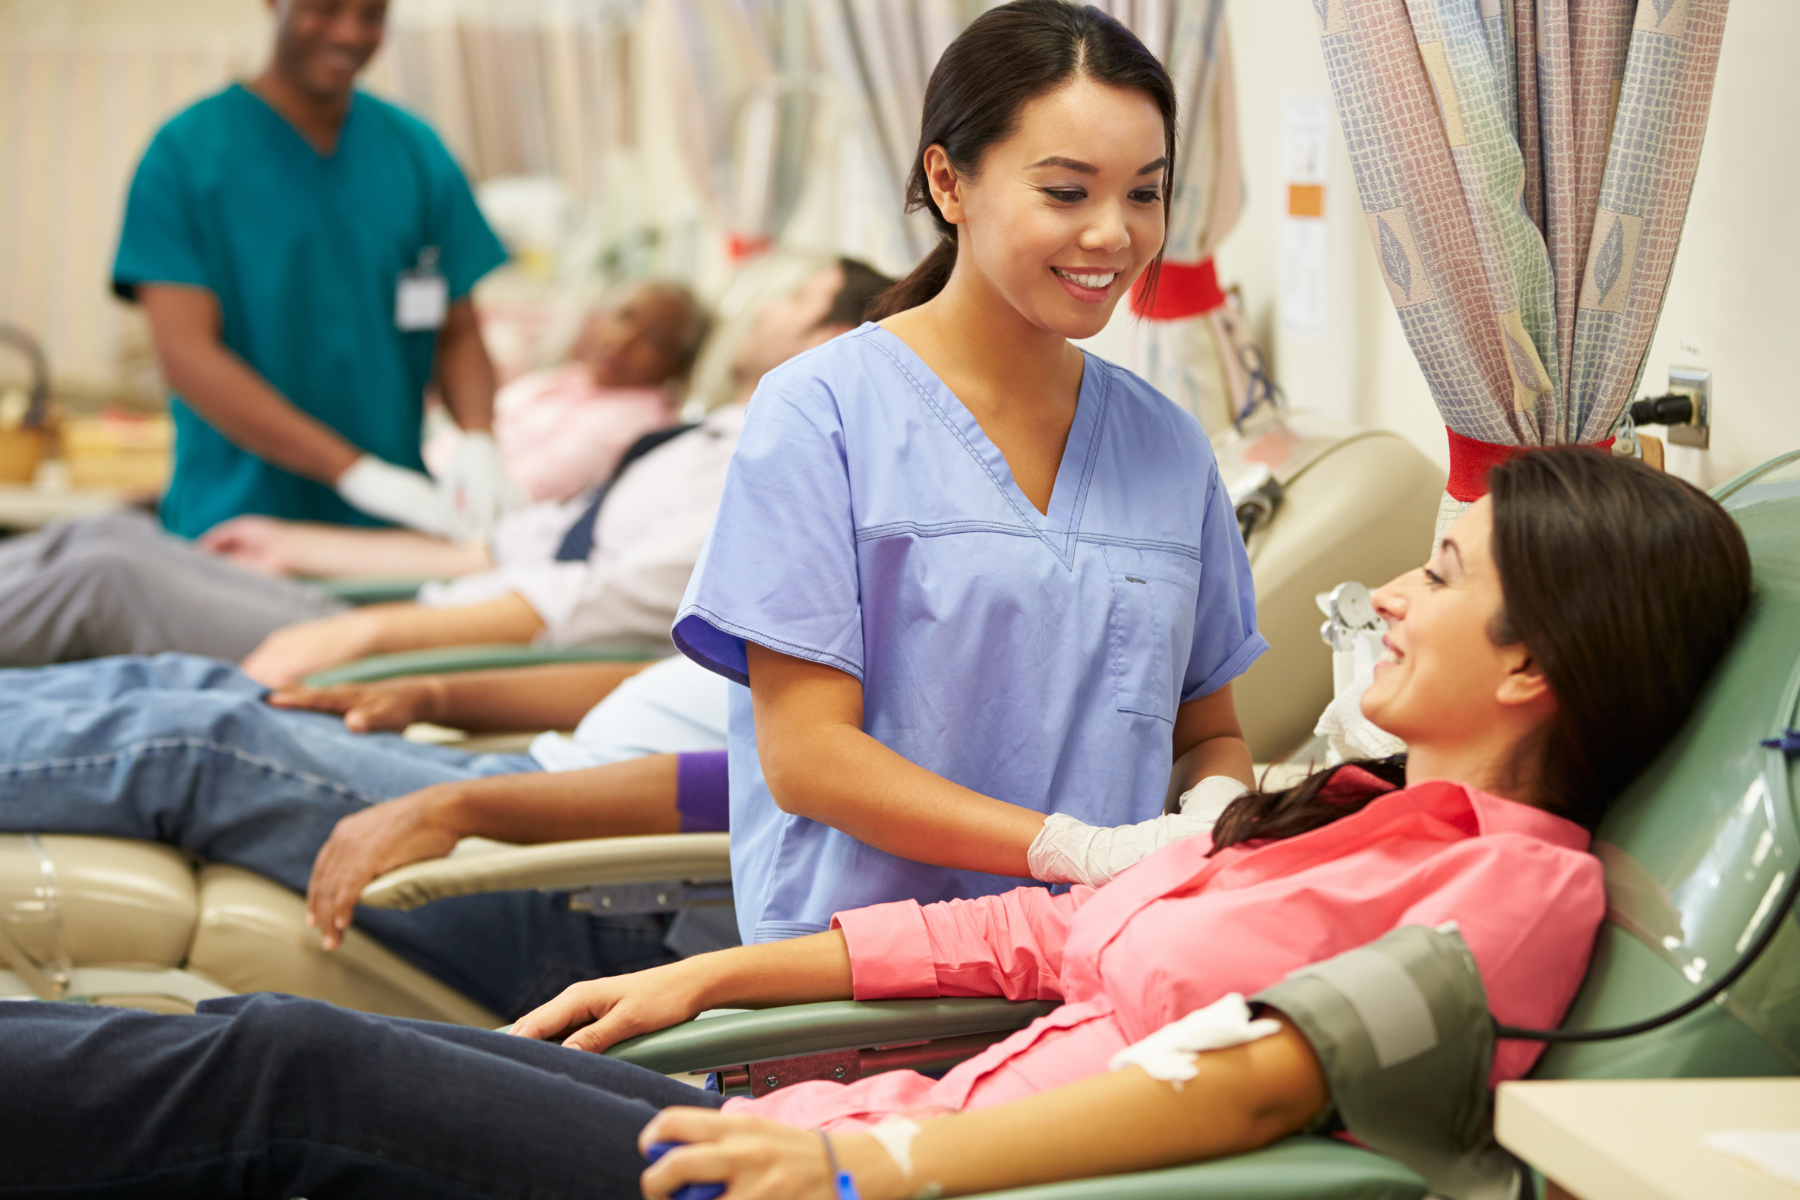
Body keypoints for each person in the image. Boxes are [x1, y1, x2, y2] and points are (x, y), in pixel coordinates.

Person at [0, 444, 1753, 1198]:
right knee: (256, 1046)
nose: (1385, 594)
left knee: (284, 1074)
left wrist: (867, 1160)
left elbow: (1255, 1079)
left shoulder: (1513, 894)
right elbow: (1034, 932)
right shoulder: (1350, 813)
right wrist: (719, 982)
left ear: (1536, 668)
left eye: (1440, 577)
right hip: (817, 1114)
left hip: (838, 1169)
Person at [672, 0, 1260, 947]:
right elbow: (809, 758)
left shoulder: (1168, 446)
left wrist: (1219, 805)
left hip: (1092, 975)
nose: (1113, 234)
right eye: (1066, 193)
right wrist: (1071, 850)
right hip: (863, 994)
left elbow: (1206, 733)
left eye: (1145, 193)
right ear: (949, 182)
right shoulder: (822, 411)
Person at [0, 259, 890, 671]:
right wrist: (300, 543)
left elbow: (598, 600)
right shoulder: (699, 434)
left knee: (105, 571)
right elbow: (507, 546)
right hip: (426, 610)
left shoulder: (761, 466)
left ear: (836, 336)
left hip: (427, 654)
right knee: (103, 534)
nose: (764, 311)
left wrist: (365, 631)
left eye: (793, 300)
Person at [0, 651, 732, 1018]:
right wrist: (433, 695)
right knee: (193, 682)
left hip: (603, 884)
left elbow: (745, 787)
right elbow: (673, 673)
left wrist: (460, 808)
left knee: (201, 747)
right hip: (536, 776)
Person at [112, 0, 513, 540]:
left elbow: (459, 334)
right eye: (324, 9)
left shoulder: (417, 154)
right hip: (237, 523)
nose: (349, 33)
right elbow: (187, 358)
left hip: (393, 530)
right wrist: (353, 471)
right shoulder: (183, 158)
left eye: (372, 15)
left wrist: (478, 439)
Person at [419, 279, 709, 505]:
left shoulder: (635, 428)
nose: (624, 339)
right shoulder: (570, 380)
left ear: (679, 367)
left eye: (654, 339)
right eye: (624, 317)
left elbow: (521, 494)